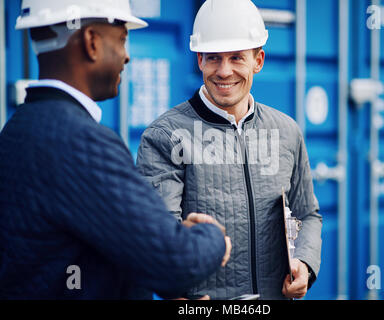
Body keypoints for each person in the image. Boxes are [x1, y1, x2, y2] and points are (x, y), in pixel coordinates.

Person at [0, 0, 231, 300]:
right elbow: (175, 261)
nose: (127, 56)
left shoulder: (17, 129)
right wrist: (213, 238)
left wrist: (164, 236)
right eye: (122, 39)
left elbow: (100, 244)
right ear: (92, 42)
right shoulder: (79, 143)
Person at [137, 0, 322, 300]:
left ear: (258, 61)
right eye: (213, 58)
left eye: (237, 58)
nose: (224, 71)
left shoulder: (287, 132)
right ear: (199, 60)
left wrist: (305, 262)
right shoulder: (165, 136)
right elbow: (155, 238)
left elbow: (307, 214)